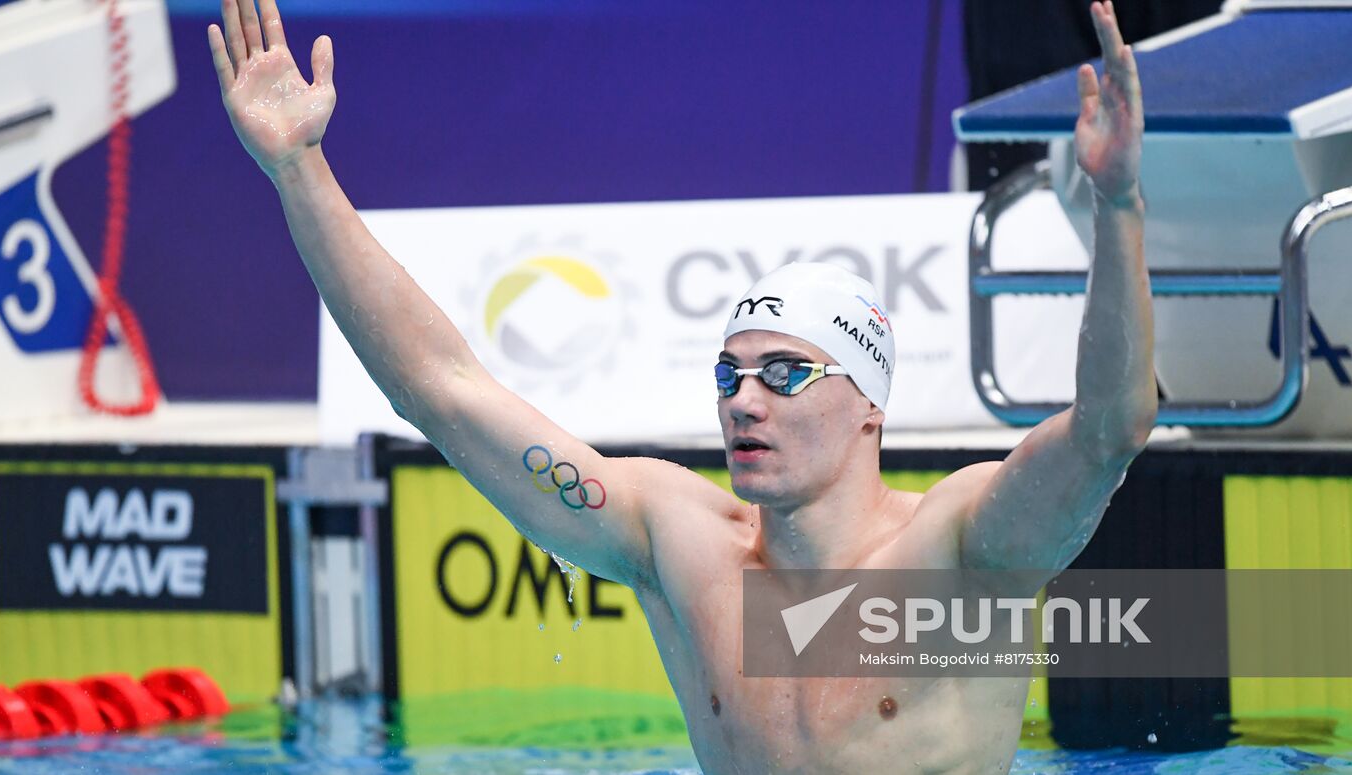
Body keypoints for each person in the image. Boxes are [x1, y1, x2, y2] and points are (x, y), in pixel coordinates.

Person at [208, 0, 1154, 770]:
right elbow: (441, 393)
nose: (745, 400)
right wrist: (299, 169)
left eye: (787, 374)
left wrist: (1117, 207)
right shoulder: (681, 543)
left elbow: (1111, 427)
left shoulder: (961, 550)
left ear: (870, 403)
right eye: (731, 374)